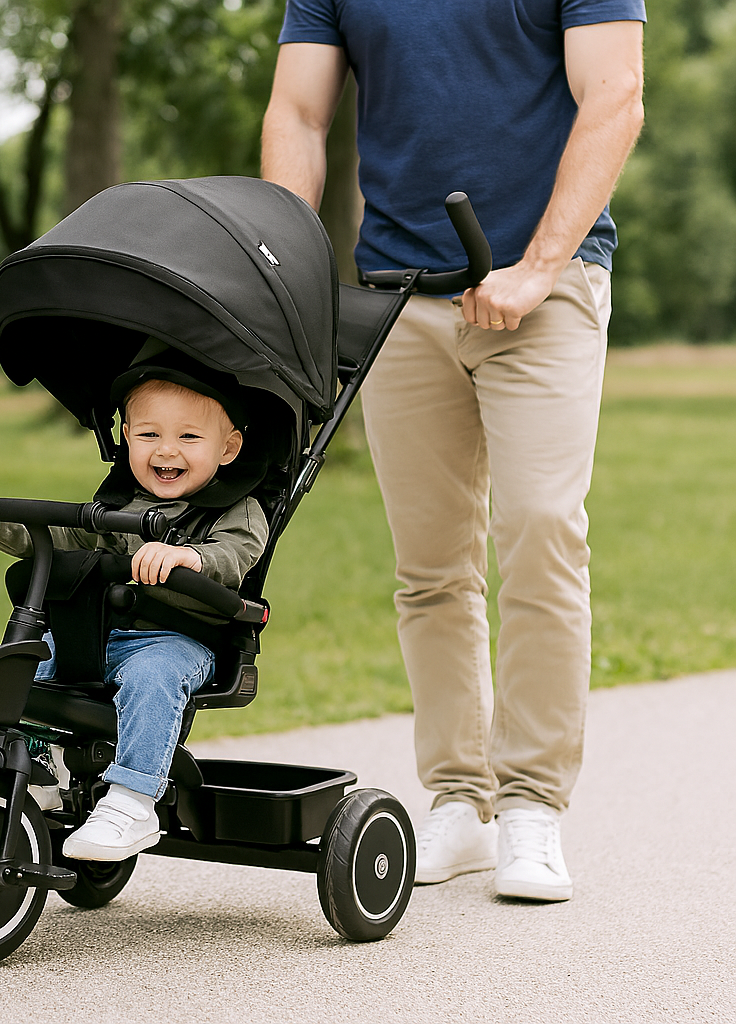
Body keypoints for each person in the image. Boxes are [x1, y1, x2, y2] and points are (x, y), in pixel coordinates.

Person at [261, 0, 645, 901]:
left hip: (545, 290)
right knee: (431, 565)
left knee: (544, 531)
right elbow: (299, 113)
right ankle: (461, 805)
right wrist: (283, 269)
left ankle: (531, 810)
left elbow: (615, 95)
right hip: (401, 291)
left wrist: (542, 265)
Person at [0, 350, 268, 861]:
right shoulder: (119, 502)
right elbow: (63, 536)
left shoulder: (238, 511)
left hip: (180, 642)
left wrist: (188, 556)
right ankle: (37, 767)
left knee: (152, 677)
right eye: (149, 435)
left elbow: (234, 557)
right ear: (126, 435)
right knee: (25, 663)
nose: (167, 450)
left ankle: (133, 802)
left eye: (188, 437)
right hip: (95, 633)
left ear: (228, 448)